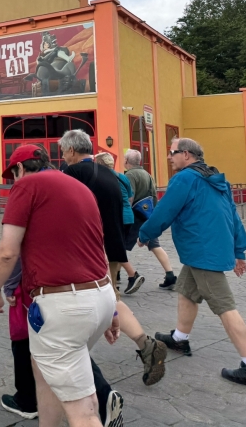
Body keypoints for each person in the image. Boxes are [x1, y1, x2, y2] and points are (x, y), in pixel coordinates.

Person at [0, 144, 119, 427]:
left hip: (63, 305)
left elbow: (8, 251)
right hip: (101, 294)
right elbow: (99, 249)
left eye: (14, 174)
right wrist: (115, 309)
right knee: (45, 370)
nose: (14, 180)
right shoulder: (79, 188)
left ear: (20, 168)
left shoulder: (27, 186)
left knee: (82, 409)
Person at [141, 138, 246, 389]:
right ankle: (180, 338)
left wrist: (146, 234)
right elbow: (232, 215)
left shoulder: (184, 179)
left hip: (202, 252)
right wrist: (239, 250)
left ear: (186, 155)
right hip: (205, 250)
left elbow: (166, 210)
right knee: (186, 291)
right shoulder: (217, 179)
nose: (169, 157)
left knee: (225, 307)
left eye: (172, 153)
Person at [60, 130, 167, 387]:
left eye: (64, 152)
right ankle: (145, 343)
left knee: (95, 302)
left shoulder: (72, 175)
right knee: (111, 297)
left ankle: (82, 367)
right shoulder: (110, 174)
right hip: (113, 247)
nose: (63, 157)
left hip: (88, 250)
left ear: (72, 151)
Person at [124, 149, 177, 289]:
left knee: (121, 247)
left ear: (126, 161)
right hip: (147, 215)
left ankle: (121, 276)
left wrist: (125, 213)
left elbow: (130, 197)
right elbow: (154, 196)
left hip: (135, 217)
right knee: (154, 245)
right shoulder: (147, 174)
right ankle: (170, 274)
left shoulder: (130, 175)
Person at [94, 152, 145, 295]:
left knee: (113, 250)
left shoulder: (102, 178)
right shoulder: (122, 176)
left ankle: (124, 279)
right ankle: (117, 279)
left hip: (116, 217)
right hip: (128, 216)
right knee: (118, 248)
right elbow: (130, 197)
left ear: (100, 164)